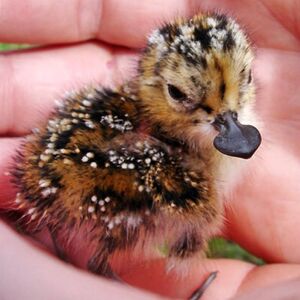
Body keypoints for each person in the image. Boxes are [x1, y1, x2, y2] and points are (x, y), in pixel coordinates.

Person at [1, 0, 300, 299]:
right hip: (74, 193)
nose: (231, 126)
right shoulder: (170, 172)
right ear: (151, 86)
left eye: (244, 79)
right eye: (180, 94)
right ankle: (95, 266)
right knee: (195, 203)